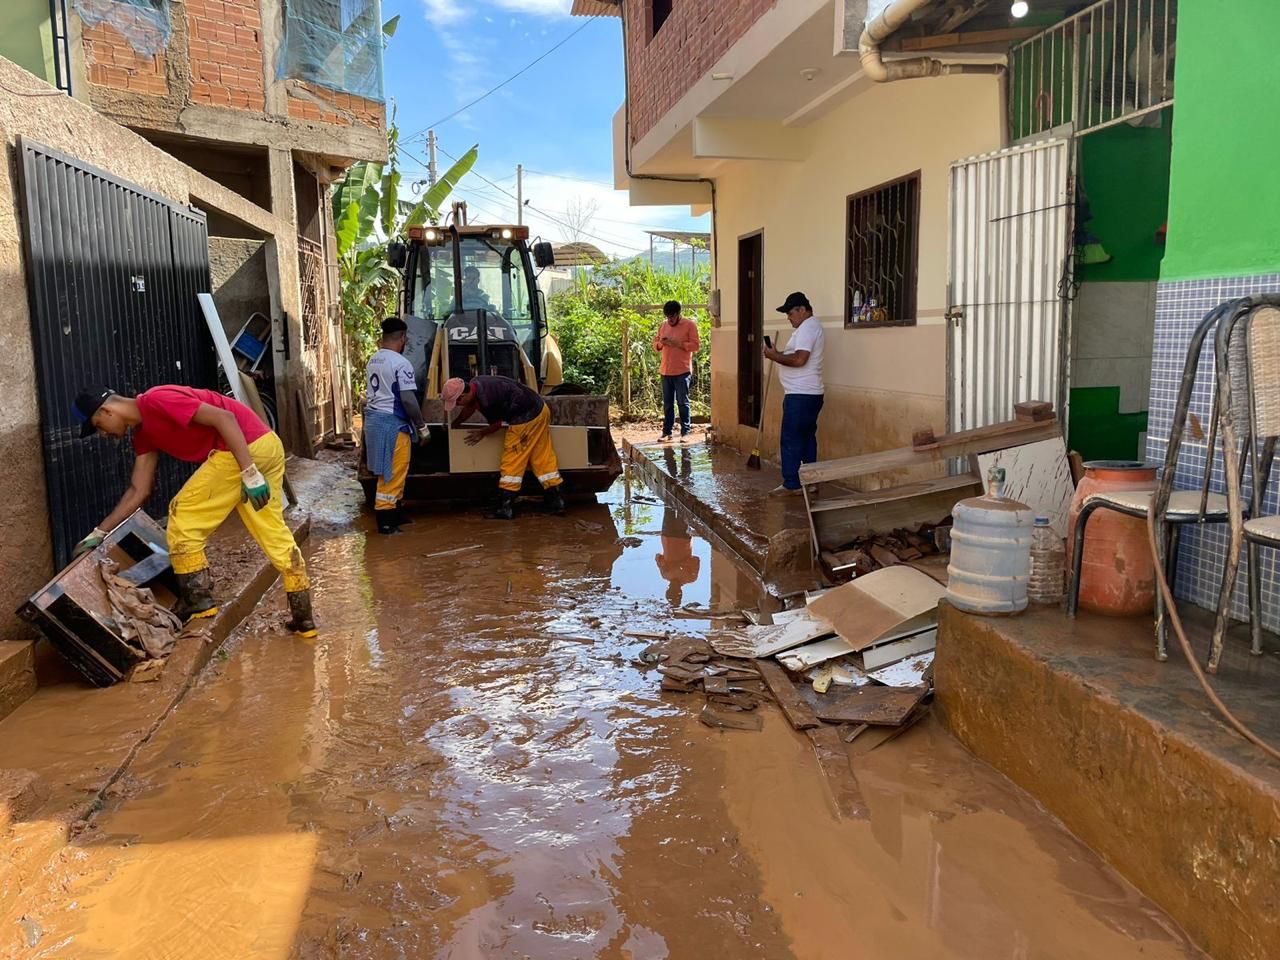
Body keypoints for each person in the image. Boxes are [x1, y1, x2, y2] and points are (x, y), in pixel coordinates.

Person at [71, 384, 317, 637]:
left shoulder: (157, 400)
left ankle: (197, 600)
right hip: (265, 446)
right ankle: (303, 616)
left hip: (241, 450)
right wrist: (100, 532)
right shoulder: (144, 435)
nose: (102, 434)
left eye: (97, 427)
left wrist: (249, 472)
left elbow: (224, 418)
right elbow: (139, 489)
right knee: (271, 530)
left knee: (183, 513)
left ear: (107, 410)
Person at [443, 374, 564, 520]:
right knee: (542, 455)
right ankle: (556, 502)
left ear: (463, 395)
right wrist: (457, 423)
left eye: (457, 402)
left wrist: (482, 433)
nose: (457, 405)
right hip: (540, 409)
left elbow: (500, 423)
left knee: (513, 460)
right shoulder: (476, 383)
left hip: (524, 419)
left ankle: (505, 507)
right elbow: (471, 406)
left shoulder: (488, 400)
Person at [364, 317, 430, 535]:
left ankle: (396, 513)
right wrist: (421, 427)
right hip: (392, 425)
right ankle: (385, 520)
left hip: (374, 421)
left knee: (390, 470)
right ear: (403, 338)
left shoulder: (374, 359)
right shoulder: (401, 363)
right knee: (392, 473)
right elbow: (408, 399)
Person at [762, 291, 825, 496]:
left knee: (791, 438)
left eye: (790, 313)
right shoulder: (809, 327)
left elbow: (799, 360)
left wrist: (774, 356)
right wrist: (777, 354)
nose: (788, 317)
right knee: (806, 438)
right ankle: (811, 481)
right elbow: (796, 356)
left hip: (800, 394)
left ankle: (792, 483)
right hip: (809, 393)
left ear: (802, 310)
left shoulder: (808, 328)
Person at [652, 299, 700, 443]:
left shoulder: (689, 325)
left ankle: (685, 432)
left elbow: (696, 346)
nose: (670, 320)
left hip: (682, 370)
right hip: (666, 371)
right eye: (668, 317)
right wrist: (661, 343)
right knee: (667, 403)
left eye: (672, 316)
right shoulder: (663, 325)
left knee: (682, 402)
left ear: (678, 314)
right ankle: (667, 432)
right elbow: (655, 345)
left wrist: (678, 344)